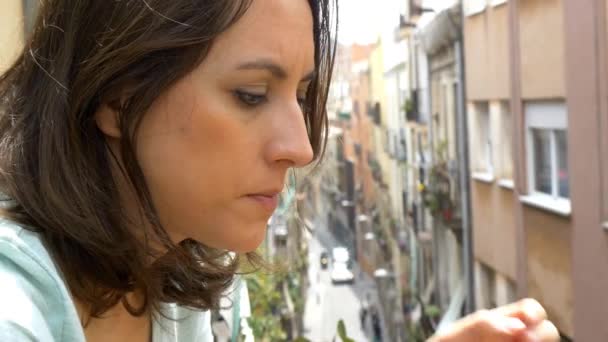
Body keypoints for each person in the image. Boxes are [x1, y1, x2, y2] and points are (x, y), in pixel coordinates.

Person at [0, 1, 559, 341]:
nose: (303, 148)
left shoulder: (200, 291)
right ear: (117, 99)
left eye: (302, 94)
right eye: (250, 94)